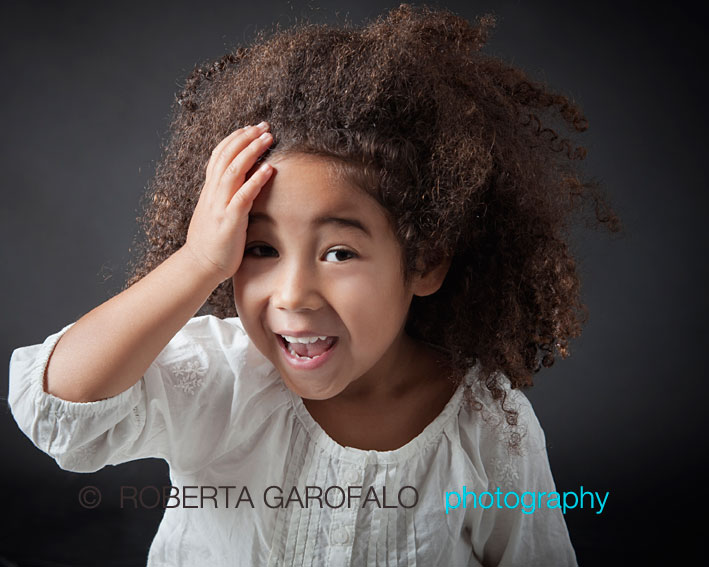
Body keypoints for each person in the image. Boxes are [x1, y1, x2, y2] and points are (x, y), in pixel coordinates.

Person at [7, 4, 620, 566]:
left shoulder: (489, 424)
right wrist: (196, 262)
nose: (294, 294)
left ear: (425, 262)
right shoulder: (219, 377)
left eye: (339, 251)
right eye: (260, 248)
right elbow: (62, 411)